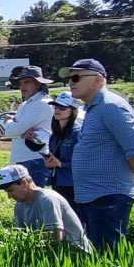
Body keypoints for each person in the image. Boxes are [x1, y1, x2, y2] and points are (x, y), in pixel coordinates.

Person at [60, 58, 134, 251]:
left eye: (76, 77)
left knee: (108, 256)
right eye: (69, 78)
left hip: (107, 198)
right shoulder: (94, 108)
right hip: (94, 195)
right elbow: (121, 151)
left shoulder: (111, 107)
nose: (70, 82)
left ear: (98, 80)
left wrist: (125, 176)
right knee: (98, 255)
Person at [0, 164, 93, 253]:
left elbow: (56, 237)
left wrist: (31, 239)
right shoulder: (19, 205)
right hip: (49, 251)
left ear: (24, 182)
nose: (9, 196)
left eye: (11, 190)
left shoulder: (48, 200)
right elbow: (20, 235)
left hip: (73, 254)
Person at [1, 66, 54, 187]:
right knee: (25, 199)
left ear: (38, 84)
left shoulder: (42, 104)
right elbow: (17, 129)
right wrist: (21, 133)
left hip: (35, 160)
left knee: (36, 200)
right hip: (26, 159)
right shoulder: (28, 103)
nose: (22, 86)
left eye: (27, 82)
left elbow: (10, 131)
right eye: (21, 83)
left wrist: (8, 122)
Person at [43, 91, 85, 222]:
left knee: (77, 220)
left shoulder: (78, 133)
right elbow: (53, 161)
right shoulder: (54, 135)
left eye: (62, 107)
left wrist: (61, 164)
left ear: (73, 111)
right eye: (55, 106)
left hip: (74, 185)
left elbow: (84, 162)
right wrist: (48, 164)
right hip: (58, 182)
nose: (57, 110)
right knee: (63, 219)